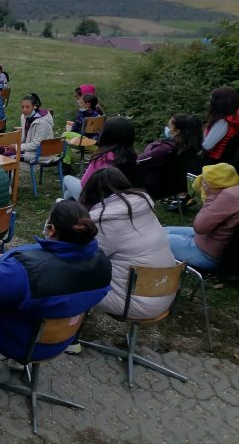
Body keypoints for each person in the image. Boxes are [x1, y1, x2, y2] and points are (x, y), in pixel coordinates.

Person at [0, 200, 111, 376]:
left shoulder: (27, 269)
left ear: (51, 229)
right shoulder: (101, 262)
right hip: (62, 339)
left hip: (25, 344)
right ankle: (16, 363)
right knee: (35, 304)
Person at [78, 168, 177, 322]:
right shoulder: (140, 206)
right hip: (165, 291)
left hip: (135, 303)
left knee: (67, 279)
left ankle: (66, 330)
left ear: (91, 193)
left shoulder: (105, 220)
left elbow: (81, 259)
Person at [164, 163, 239, 272]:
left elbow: (200, 227)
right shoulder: (234, 189)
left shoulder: (230, 195)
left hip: (207, 253)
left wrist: (211, 195)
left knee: (152, 240)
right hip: (209, 242)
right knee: (159, 231)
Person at [62, 117, 138, 201]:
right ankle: (69, 203)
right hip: (118, 199)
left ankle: (69, 206)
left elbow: (84, 184)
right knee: (69, 193)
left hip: (95, 200)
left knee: (67, 178)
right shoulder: (133, 158)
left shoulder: (101, 158)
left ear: (106, 135)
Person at [137, 113, 203, 200]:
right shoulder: (191, 147)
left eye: (169, 126)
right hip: (174, 187)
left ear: (176, 132)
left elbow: (139, 160)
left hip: (154, 188)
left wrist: (151, 146)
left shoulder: (165, 149)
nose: (167, 128)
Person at [202, 87, 239, 166]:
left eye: (211, 99)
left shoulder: (223, 122)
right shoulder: (231, 119)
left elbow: (207, 146)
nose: (209, 102)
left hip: (211, 163)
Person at [14, 93, 54, 163]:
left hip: (39, 154)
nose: (24, 110)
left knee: (6, 156)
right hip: (27, 149)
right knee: (0, 149)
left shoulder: (42, 122)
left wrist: (16, 147)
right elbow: (24, 137)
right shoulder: (24, 116)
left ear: (34, 106)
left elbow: (36, 145)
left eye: (27, 107)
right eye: (22, 107)